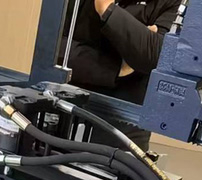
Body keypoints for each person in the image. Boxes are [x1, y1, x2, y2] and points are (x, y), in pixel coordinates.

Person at [64, 0, 184, 148]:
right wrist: (117, 67)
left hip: (124, 132)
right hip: (64, 114)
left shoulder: (175, 3)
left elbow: (156, 56)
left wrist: (107, 10)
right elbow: (54, 49)